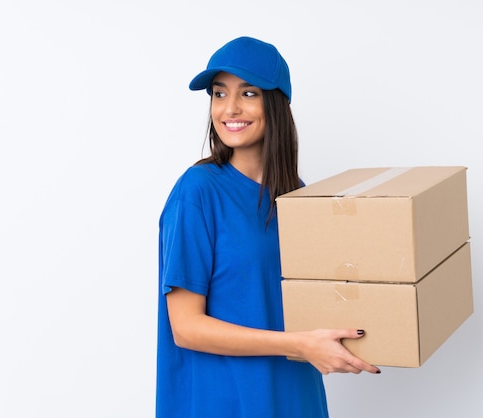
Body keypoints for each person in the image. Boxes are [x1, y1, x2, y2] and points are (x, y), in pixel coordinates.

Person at [156, 36, 380, 418]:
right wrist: (299, 345)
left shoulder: (300, 199)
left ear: (275, 103)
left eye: (249, 92)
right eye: (219, 93)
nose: (230, 108)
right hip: (225, 401)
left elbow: (318, 303)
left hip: (295, 396)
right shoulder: (198, 191)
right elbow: (186, 327)